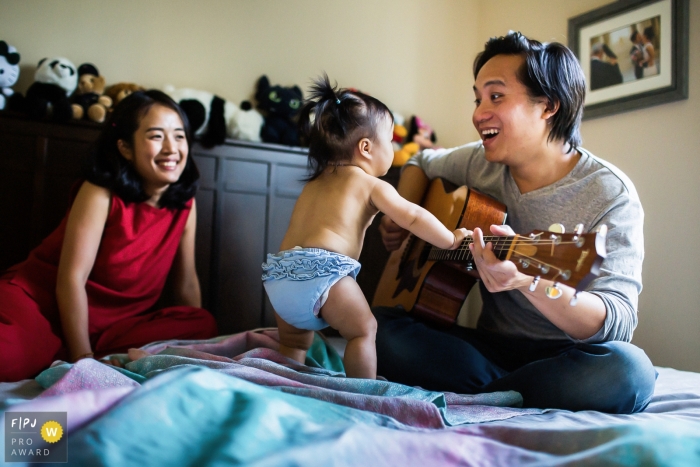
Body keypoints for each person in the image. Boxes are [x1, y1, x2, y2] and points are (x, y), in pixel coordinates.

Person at [374, 32, 656, 414]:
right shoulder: (479, 161)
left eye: (495, 96)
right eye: (477, 98)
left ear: (548, 106)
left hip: (566, 356)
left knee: (629, 370)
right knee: (380, 327)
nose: (477, 114)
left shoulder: (609, 193)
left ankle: (491, 394)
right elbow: (419, 162)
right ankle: (513, 396)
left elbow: (618, 322)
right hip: (489, 347)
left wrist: (527, 281)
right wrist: (404, 215)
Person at [0, 90, 218, 382]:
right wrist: (83, 360)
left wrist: (193, 348)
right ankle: (65, 349)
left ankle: (66, 351)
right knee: (9, 358)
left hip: (114, 328)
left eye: (179, 136)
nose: (172, 148)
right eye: (156, 136)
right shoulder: (100, 192)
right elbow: (71, 279)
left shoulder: (184, 203)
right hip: (43, 306)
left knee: (201, 324)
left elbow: (187, 283)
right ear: (125, 148)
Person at [261, 76, 468, 379]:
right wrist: (450, 239)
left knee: (293, 342)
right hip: (323, 272)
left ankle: (278, 381)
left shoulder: (316, 182)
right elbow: (411, 216)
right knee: (364, 330)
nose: (395, 146)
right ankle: (363, 394)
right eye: (391, 140)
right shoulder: (370, 183)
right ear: (367, 148)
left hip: (281, 275)